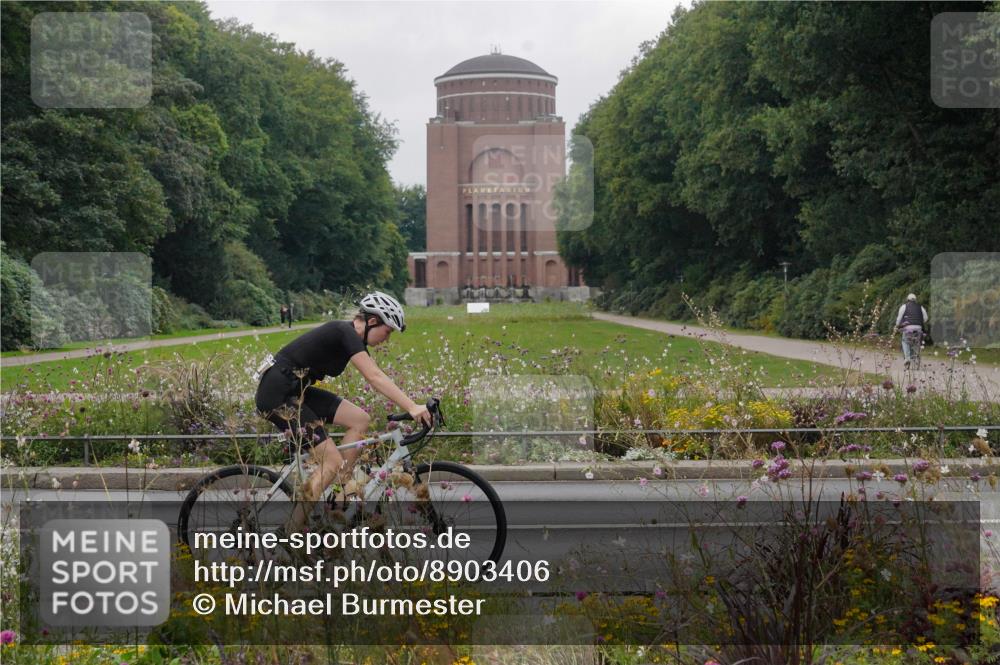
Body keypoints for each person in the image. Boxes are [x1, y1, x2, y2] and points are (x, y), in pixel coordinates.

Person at [254, 291, 432, 526]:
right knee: (331, 462)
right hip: (278, 395)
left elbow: (375, 375)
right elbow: (374, 376)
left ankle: (339, 495)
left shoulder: (350, 338)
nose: (387, 339)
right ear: (372, 321)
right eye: (387, 331)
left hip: (296, 391)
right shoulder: (343, 332)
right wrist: (412, 407)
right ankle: (291, 532)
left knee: (360, 419)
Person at [895, 293, 928, 369]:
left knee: (905, 342)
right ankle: (916, 361)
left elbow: (899, 318)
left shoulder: (904, 306)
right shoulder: (920, 307)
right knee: (916, 343)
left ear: (907, 299)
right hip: (918, 328)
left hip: (908, 328)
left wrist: (897, 325)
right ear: (915, 300)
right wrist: (919, 322)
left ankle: (907, 359)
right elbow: (926, 318)